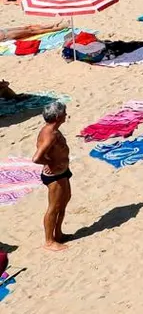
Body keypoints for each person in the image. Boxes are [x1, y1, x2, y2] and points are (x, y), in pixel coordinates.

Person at [33, 100, 70, 250]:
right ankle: (49, 241)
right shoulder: (50, 134)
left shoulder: (54, 129)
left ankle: (58, 234)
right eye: (63, 113)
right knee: (54, 207)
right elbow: (36, 158)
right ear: (57, 116)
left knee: (65, 201)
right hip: (55, 176)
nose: (66, 115)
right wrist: (51, 164)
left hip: (63, 172)